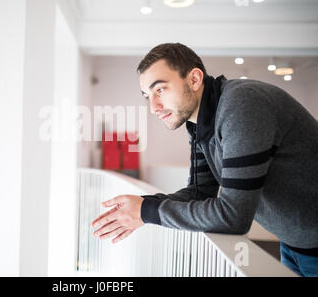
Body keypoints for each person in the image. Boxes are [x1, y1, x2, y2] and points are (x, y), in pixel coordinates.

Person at [91, 43, 318, 277]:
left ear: (195, 79)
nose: (154, 107)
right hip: (295, 246)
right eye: (147, 96)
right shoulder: (199, 123)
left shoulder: (243, 105)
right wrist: (142, 205)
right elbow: (200, 192)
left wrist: (147, 211)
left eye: (160, 90)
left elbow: (233, 217)